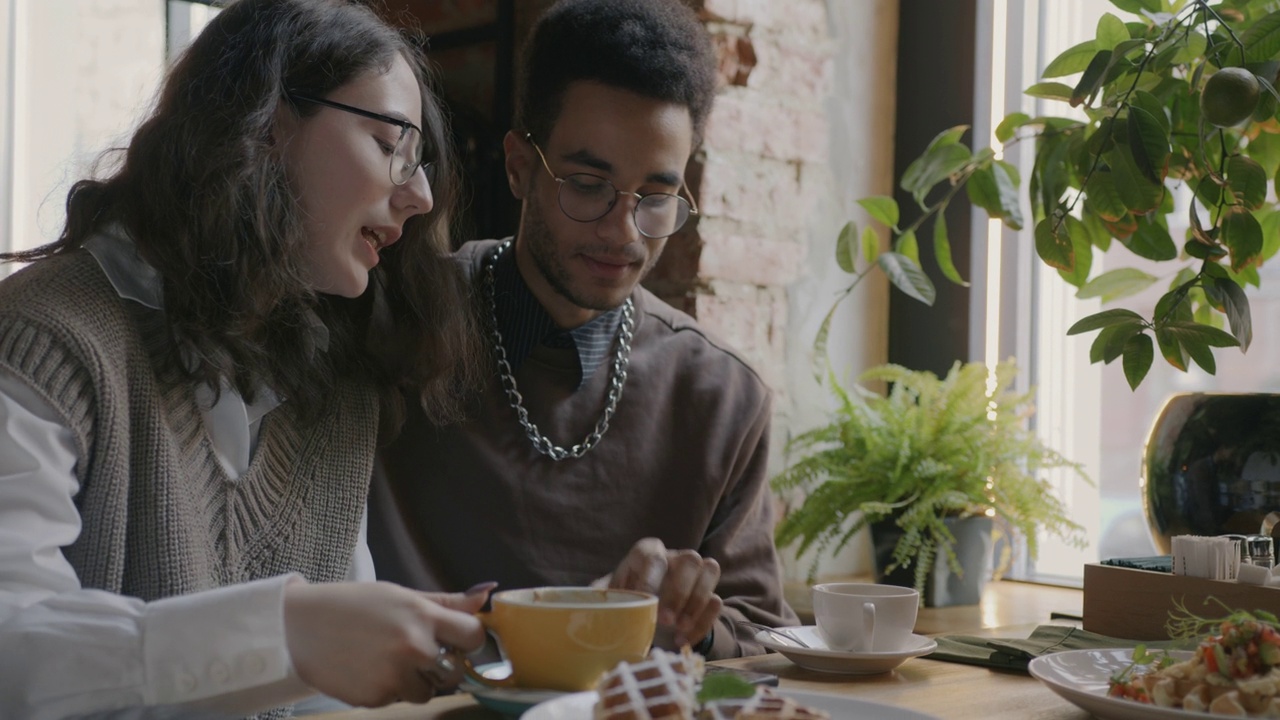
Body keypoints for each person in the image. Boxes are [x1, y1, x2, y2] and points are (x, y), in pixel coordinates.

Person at [0, 1, 496, 718]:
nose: (419, 194)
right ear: (265, 123)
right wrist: (285, 635)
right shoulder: (45, 342)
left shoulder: (339, 385)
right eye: (392, 142)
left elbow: (327, 701)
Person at [370, 0, 798, 660]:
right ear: (518, 167)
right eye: (588, 183)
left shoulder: (722, 397)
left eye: (654, 196)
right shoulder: (393, 321)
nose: (623, 231)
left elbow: (764, 634)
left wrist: (693, 621)